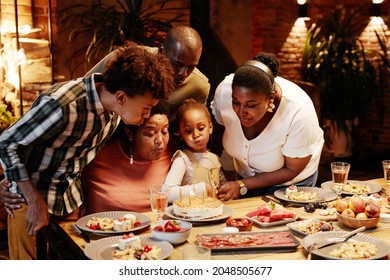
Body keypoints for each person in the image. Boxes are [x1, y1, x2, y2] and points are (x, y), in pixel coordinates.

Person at [0, 43, 175, 259]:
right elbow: (7, 142)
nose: (147, 115)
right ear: (121, 97)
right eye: (146, 108)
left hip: (70, 203)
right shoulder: (64, 104)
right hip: (30, 202)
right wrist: (27, 194)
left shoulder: (116, 111)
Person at [211, 52, 324, 201]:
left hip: (290, 183)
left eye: (251, 105)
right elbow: (218, 129)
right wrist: (213, 167)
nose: (240, 112)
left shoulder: (299, 111)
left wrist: (241, 184)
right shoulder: (224, 92)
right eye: (236, 102)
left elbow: (291, 169)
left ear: (270, 98)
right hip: (243, 179)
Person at [86, 25, 210, 124]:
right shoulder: (126, 59)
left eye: (191, 67)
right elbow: (85, 89)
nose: (183, 74)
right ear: (162, 51)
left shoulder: (199, 87)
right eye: (178, 65)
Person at [81, 101, 174, 214]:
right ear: (130, 133)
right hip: (103, 228)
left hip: (158, 229)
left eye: (164, 132)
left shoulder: (174, 154)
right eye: (149, 134)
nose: (160, 140)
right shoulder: (98, 153)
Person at [164, 99, 226, 202]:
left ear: (210, 127)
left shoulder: (215, 159)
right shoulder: (182, 159)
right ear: (180, 134)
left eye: (201, 128)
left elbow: (223, 186)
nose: (196, 135)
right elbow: (167, 193)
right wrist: (202, 189)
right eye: (188, 131)